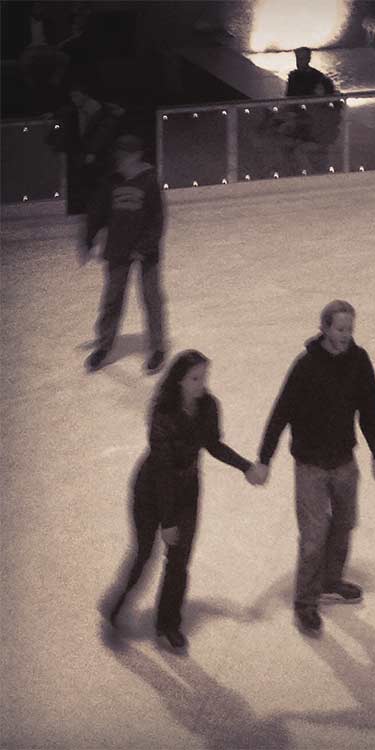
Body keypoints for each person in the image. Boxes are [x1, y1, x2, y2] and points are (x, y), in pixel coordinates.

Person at [248, 301, 375, 636]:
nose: (346, 336)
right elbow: (280, 414)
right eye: (340, 329)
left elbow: (370, 407)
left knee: (343, 524)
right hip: (309, 466)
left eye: (350, 329)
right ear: (324, 328)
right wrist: (264, 459)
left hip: (344, 462)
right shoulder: (306, 366)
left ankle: (330, 580)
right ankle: (305, 602)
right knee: (313, 538)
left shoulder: (358, 360)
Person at [107, 350, 255, 651]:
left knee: (179, 561)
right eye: (196, 378)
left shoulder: (209, 406)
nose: (203, 384)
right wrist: (168, 520)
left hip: (187, 489)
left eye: (204, 377)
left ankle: (168, 623)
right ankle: (118, 603)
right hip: (151, 492)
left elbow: (213, 444)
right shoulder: (162, 411)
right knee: (145, 553)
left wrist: (245, 467)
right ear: (179, 381)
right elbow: (161, 468)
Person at [83, 134, 167, 375]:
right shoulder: (111, 181)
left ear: (136, 155)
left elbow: (157, 219)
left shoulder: (150, 181)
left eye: (124, 155)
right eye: (117, 155)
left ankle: (157, 348)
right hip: (118, 249)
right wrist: (89, 238)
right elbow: (98, 211)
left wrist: (144, 247)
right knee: (111, 299)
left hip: (146, 253)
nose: (119, 160)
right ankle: (103, 345)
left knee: (152, 299)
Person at [47, 81, 124, 214]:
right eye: (72, 96)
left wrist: (92, 152)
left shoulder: (102, 112)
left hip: (101, 158)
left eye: (76, 96)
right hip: (84, 157)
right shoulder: (73, 110)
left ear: (85, 95)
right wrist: (52, 117)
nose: (73, 99)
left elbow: (103, 133)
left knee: (99, 185)